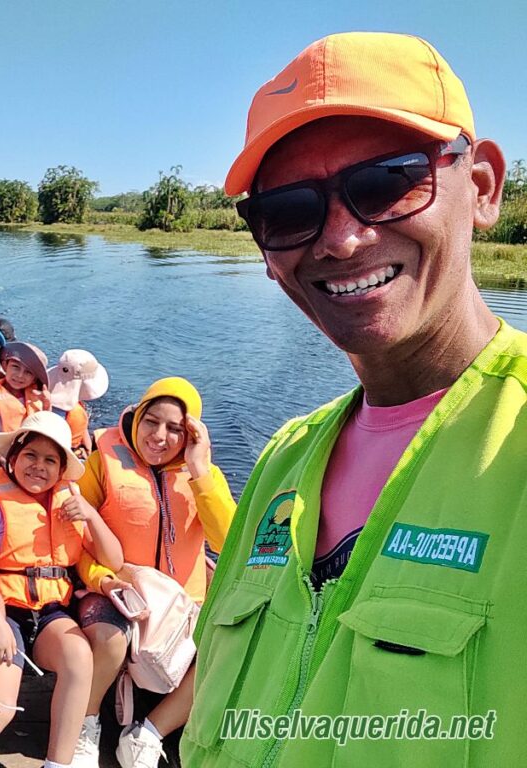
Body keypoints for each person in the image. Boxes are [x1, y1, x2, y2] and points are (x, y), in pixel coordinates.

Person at [181, 32, 521, 766]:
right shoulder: (282, 462)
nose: (339, 238)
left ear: (484, 187)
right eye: (287, 210)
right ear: (268, 256)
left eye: (388, 182)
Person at [0, 411, 124, 768]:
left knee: (78, 656)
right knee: (0, 704)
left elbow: (112, 559)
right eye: (30, 456)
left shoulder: (68, 508)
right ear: (13, 460)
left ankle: (58, 763)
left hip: (50, 614)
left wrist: (91, 515)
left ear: (60, 470)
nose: (39, 467)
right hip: (4, 614)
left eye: (50, 460)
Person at [70, 378, 235, 768]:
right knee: (110, 638)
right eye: (152, 421)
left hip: (180, 605)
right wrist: (102, 579)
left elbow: (230, 542)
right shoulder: (102, 461)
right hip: (115, 591)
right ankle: (85, 724)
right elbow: (74, 540)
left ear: (191, 433)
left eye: (175, 428)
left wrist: (199, 471)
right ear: (138, 416)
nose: (159, 436)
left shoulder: (203, 477)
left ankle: (147, 734)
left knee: (226, 649)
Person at [0, 341, 50, 464]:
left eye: (28, 372)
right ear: (6, 366)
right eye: (15, 367)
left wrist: (47, 405)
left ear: (35, 378)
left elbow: (45, 430)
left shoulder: (37, 397)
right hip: (2, 456)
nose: (20, 375)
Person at [47, 349, 110, 458]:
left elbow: (83, 429)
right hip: (64, 454)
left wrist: (87, 448)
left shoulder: (45, 400)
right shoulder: (59, 413)